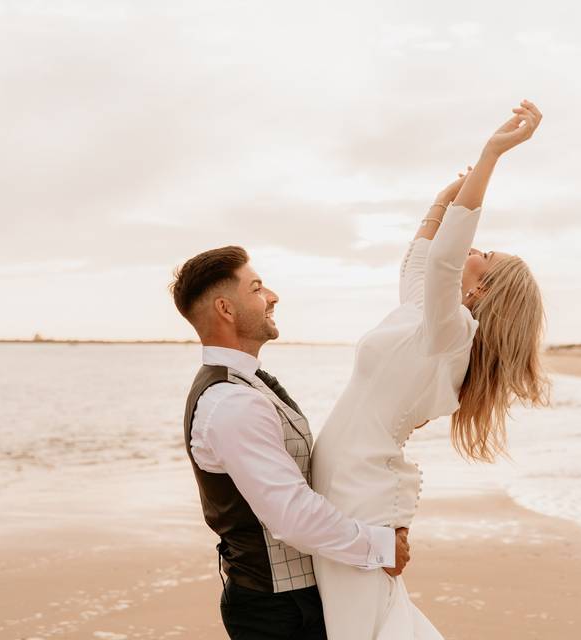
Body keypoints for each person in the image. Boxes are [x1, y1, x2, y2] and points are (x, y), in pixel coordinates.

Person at [311, 99, 550, 638]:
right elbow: (419, 263)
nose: (473, 251)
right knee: (360, 622)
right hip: (348, 483)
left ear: (482, 289)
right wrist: (440, 200)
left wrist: (492, 153)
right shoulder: (427, 322)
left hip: (357, 491)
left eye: (482, 255)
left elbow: (441, 259)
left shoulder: (453, 334)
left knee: (361, 626)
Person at [170, 245, 411, 639]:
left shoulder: (248, 384)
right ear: (226, 310)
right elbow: (292, 514)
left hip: (295, 600)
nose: (272, 296)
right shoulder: (232, 401)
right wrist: (380, 546)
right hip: (276, 612)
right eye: (257, 288)